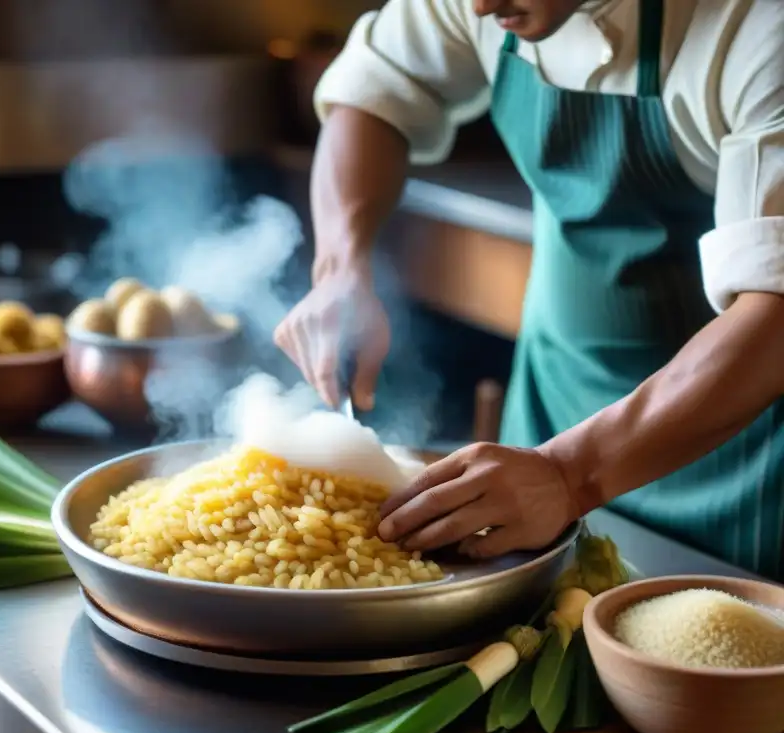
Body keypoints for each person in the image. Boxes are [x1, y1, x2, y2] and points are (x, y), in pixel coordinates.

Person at [273, 0, 784, 579]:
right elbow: (374, 92)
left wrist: (571, 474)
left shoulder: (759, 25)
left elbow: (776, 312)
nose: (481, 6)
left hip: (739, 444)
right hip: (552, 415)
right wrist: (340, 266)